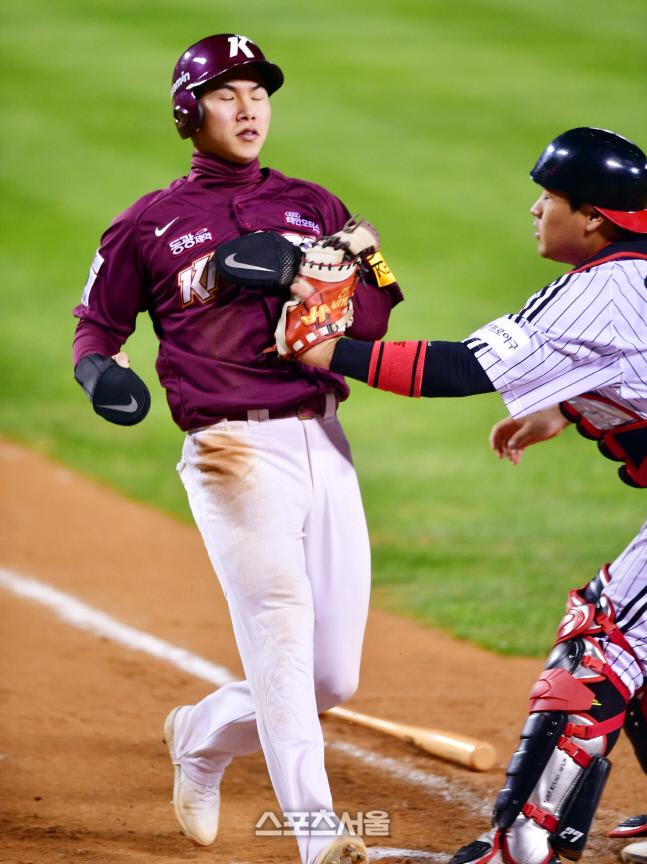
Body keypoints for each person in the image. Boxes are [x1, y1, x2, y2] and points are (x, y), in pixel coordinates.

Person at [267, 126, 647, 863]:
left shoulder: (607, 286)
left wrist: (328, 352)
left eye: (550, 197)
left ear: (593, 217)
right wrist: (564, 406)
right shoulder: (635, 274)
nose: (535, 210)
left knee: (602, 641)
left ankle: (518, 843)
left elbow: (462, 367)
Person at [72, 33, 402, 864]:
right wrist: (95, 376)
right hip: (229, 452)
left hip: (323, 440)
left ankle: (202, 734)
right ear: (191, 111)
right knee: (281, 636)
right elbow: (97, 326)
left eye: (259, 91)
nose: (250, 107)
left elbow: (370, 322)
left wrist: (334, 272)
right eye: (227, 93)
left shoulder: (316, 204)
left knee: (332, 681)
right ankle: (318, 837)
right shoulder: (148, 224)